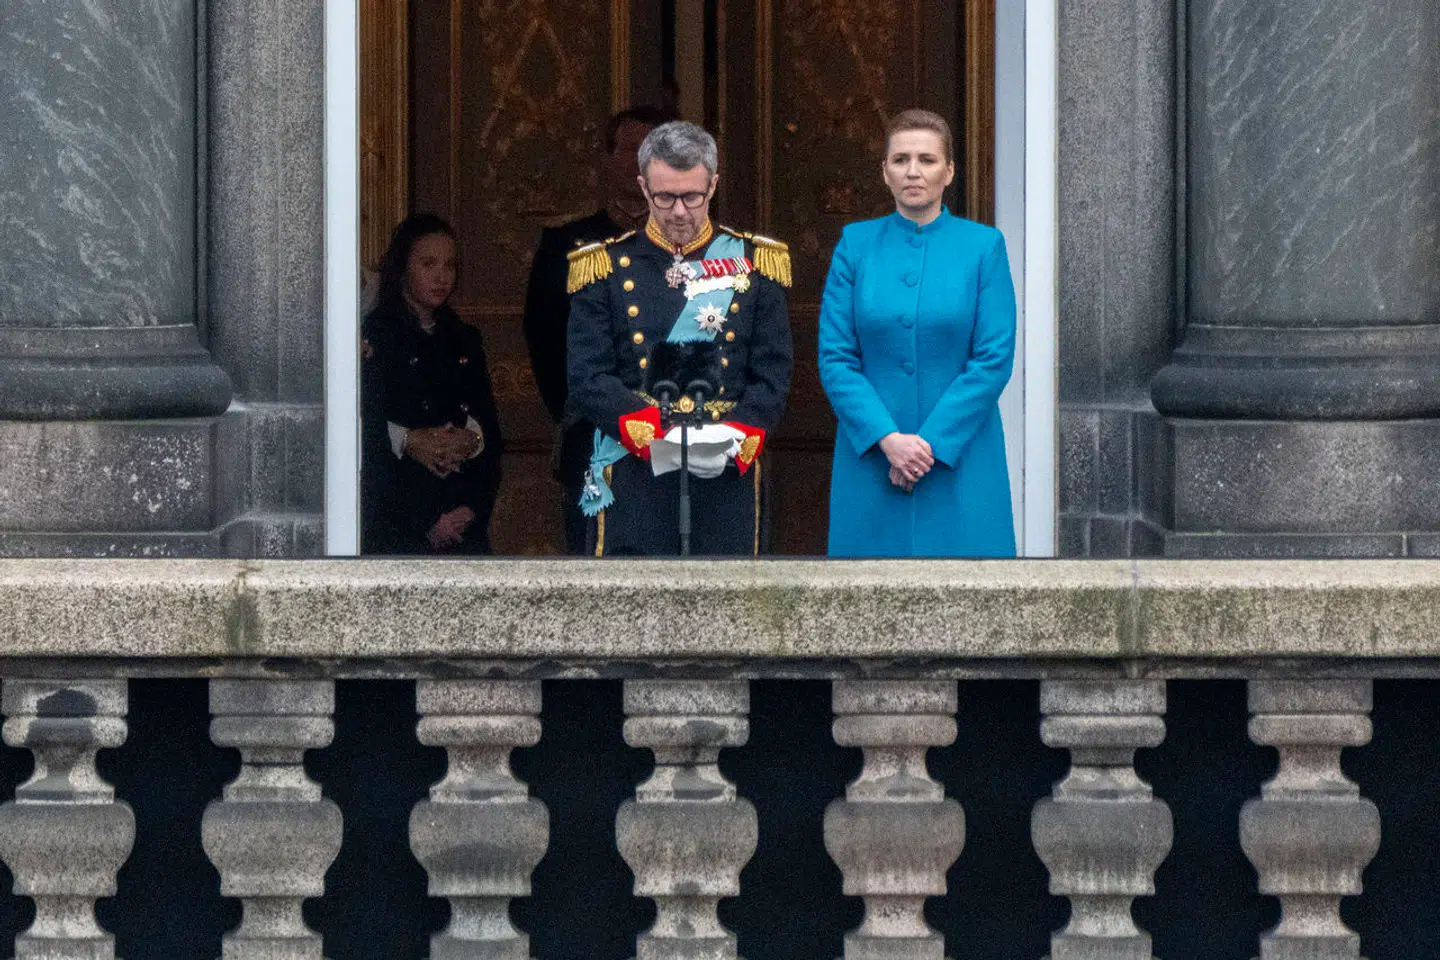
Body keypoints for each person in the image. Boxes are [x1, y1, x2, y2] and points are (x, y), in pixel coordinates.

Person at [567, 120, 794, 556]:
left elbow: (772, 373)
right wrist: (654, 434)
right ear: (642, 186)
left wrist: (737, 435)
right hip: (638, 469)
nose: (678, 212)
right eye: (663, 196)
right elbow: (588, 376)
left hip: (725, 469)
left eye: (692, 196)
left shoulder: (755, 262)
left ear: (713, 185)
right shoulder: (605, 268)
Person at [818, 109, 1017, 557]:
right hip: (871, 458)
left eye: (927, 160)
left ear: (949, 171)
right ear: (884, 172)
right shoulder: (855, 245)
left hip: (961, 462)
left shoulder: (984, 247)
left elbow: (992, 360)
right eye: (900, 159)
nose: (913, 171)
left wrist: (928, 446)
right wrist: (888, 440)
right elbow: (836, 359)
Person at [522, 106, 677, 554]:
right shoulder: (566, 245)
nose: (641, 162)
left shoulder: (698, 246)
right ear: (607, 160)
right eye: (630, 150)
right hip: (594, 440)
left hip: (675, 441)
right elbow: (544, 339)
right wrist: (585, 413)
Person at [361, 213, 503, 554]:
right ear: (403, 268)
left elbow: (490, 431)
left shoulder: (464, 338)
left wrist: (470, 507)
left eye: (450, 265)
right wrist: (409, 441)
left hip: (463, 522)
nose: (442, 276)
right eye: (428, 264)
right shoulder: (375, 337)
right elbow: (369, 436)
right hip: (401, 523)